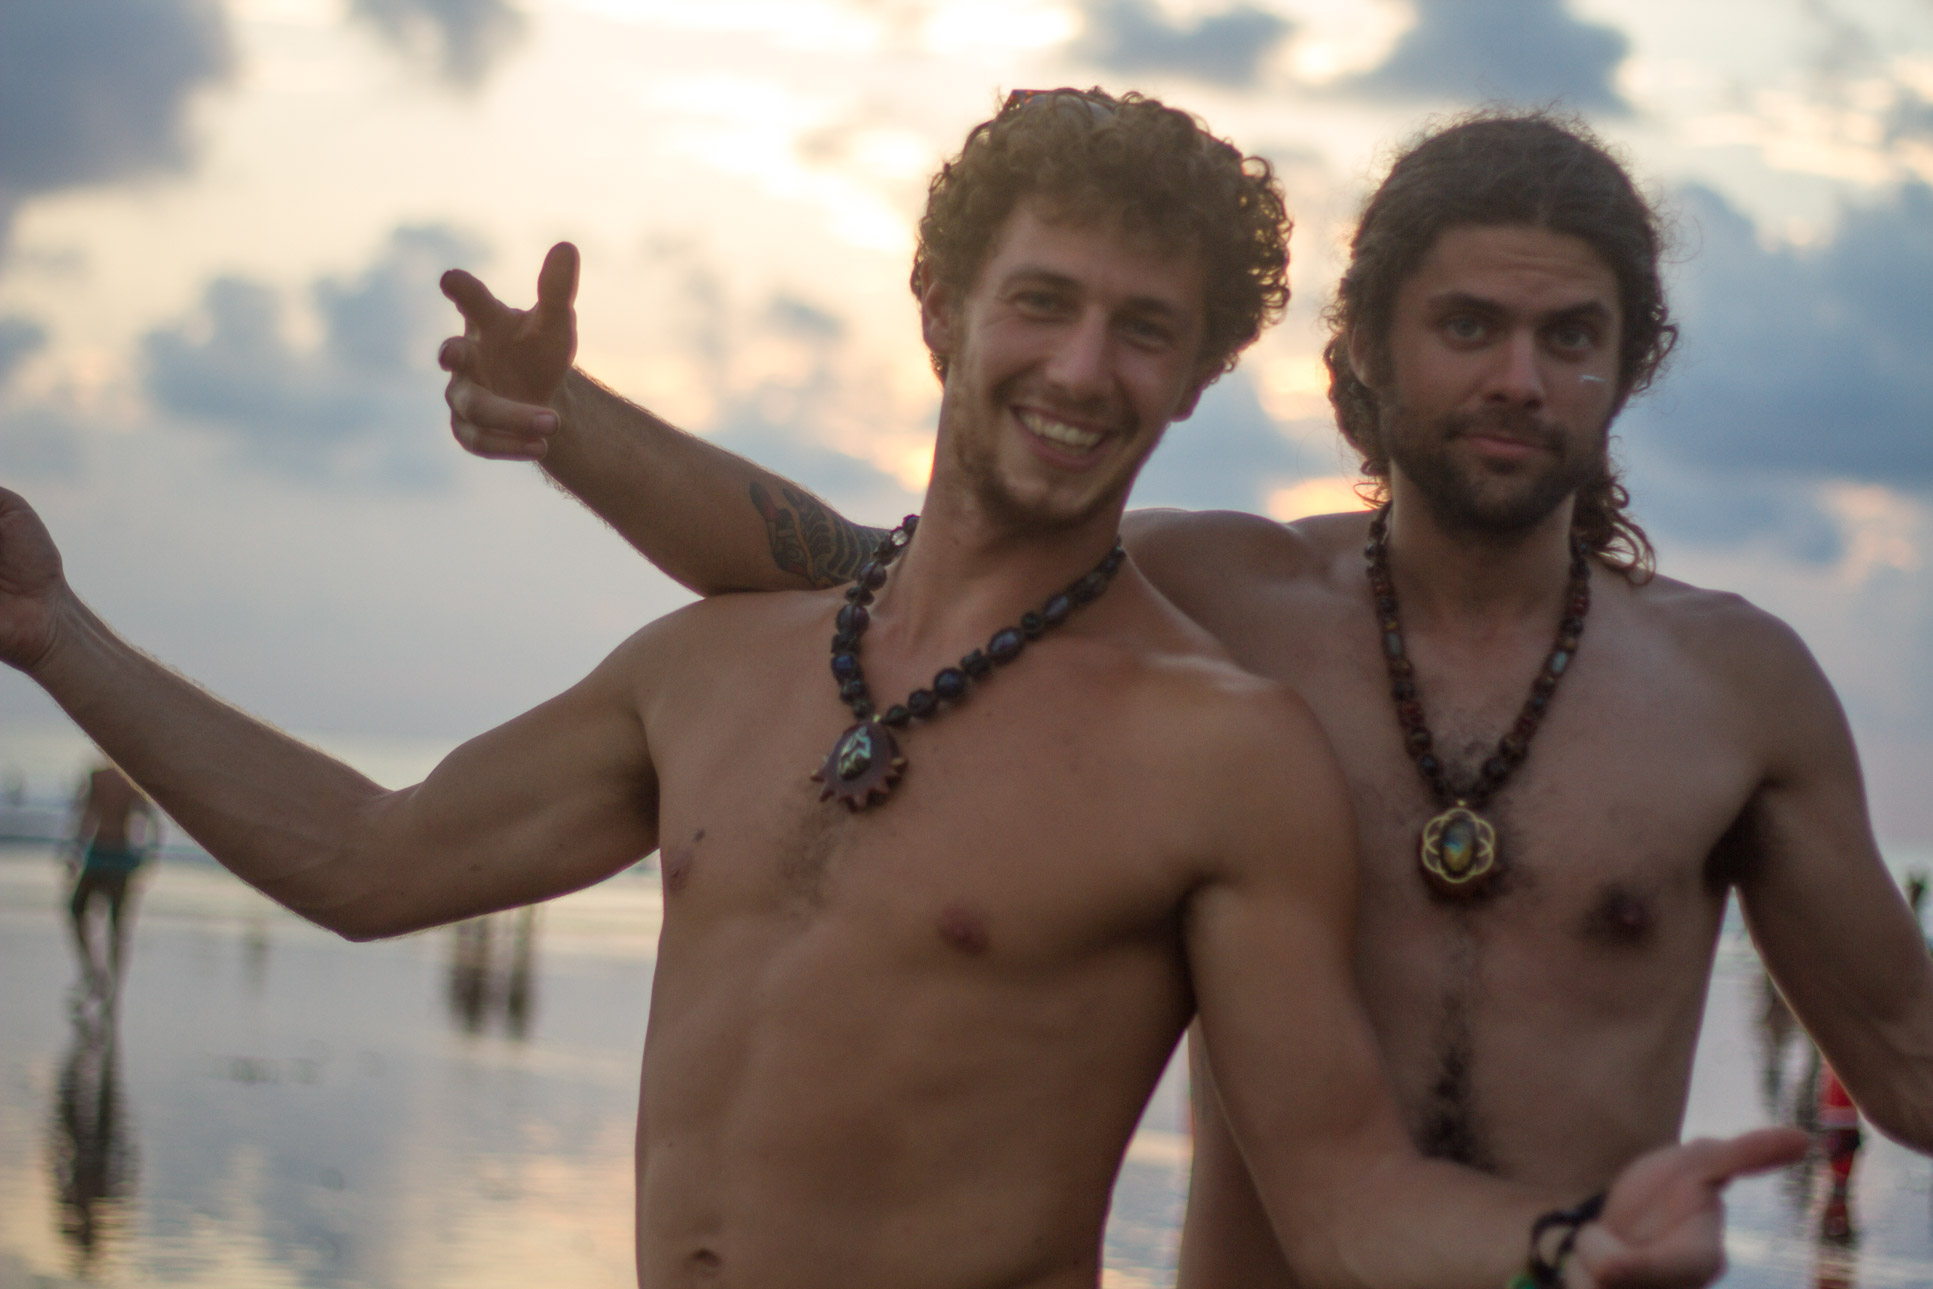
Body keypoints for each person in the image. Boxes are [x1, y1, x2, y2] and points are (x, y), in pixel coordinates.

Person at [0, 90, 1796, 1288]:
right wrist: (54, 627)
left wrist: (1567, 1242)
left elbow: (1337, 1186)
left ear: (1195, 384)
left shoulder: (1216, 748)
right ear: (937, 310)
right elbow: (365, 860)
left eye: (1143, 330)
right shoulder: (712, 666)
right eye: (1041, 303)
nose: (1079, 368)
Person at [438, 104, 1932, 1284]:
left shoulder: (1736, 689)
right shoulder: (1208, 608)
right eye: (1468, 325)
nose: (1520, 381)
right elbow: (846, 574)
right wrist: (564, 423)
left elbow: (1909, 1068)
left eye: (1570, 338)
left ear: (1627, 367)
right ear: (1362, 356)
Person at [66, 763, 160, 1006]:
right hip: (119, 855)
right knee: (115, 926)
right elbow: (152, 820)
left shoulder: (98, 776)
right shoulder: (131, 778)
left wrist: (76, 851)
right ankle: (107, 983)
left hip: (101, 852)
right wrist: (148, 854)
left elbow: (86, 815)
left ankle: (96, 975)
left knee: (81, 912)